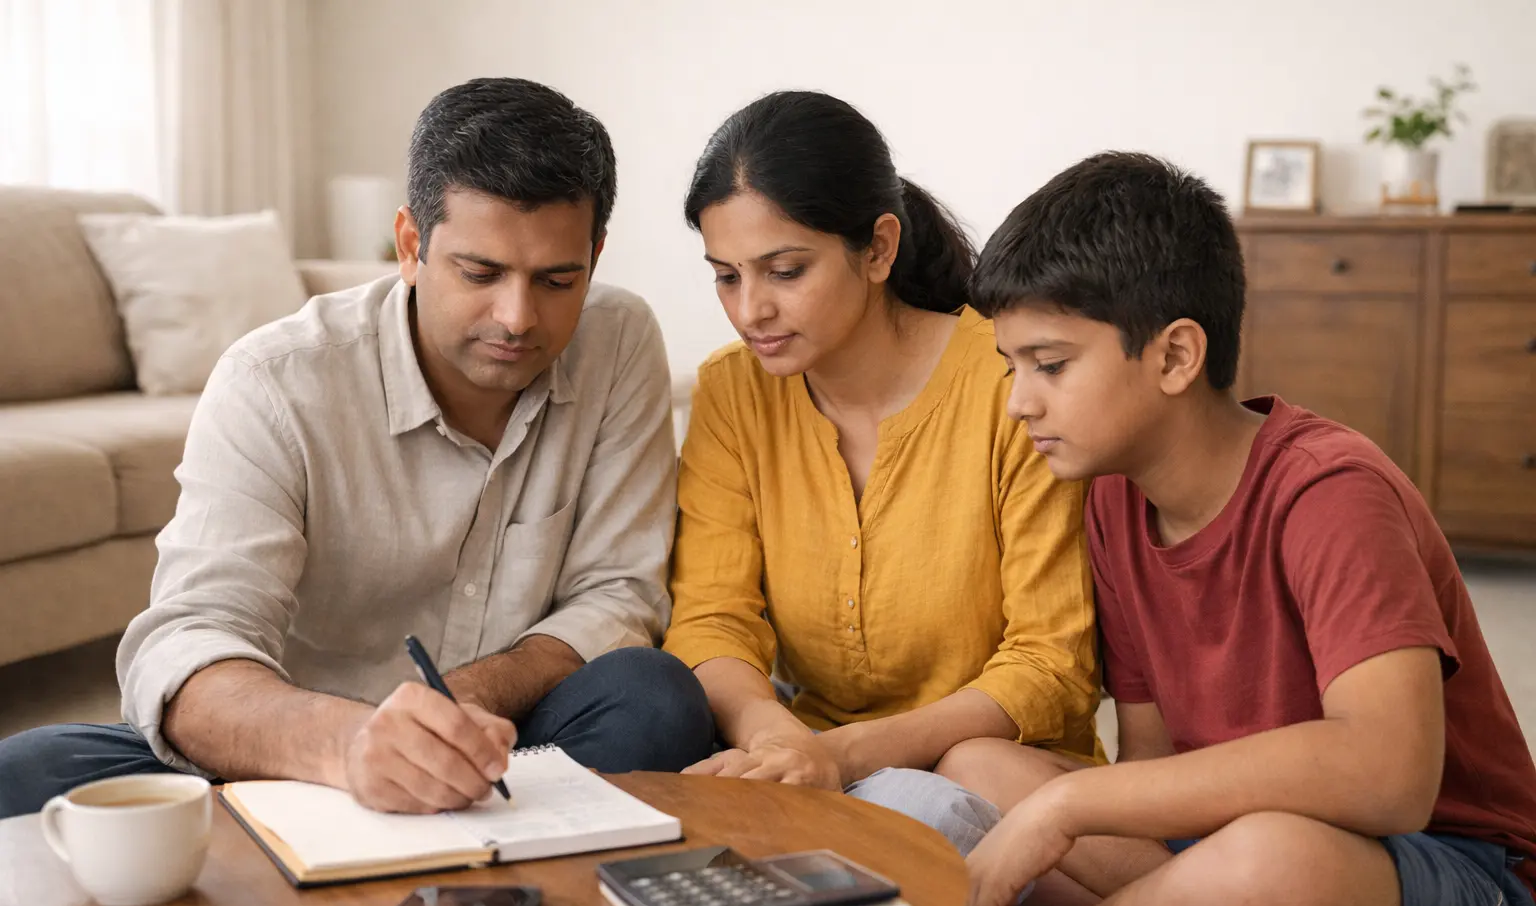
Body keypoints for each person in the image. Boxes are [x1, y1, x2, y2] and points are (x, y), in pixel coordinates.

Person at [928, 152, 1536, 906]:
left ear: (1176, 354)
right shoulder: (1113, 501)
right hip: (1239, 854)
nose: (1019, 401)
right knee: (976, 765)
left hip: (1464, 897)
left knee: (1268, 869)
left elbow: (1390, 774)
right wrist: (1067, 810)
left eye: (1050, 365)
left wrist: (1067, 805)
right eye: (1010, 366)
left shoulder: (1330, 491)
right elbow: (1153, 769)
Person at [0, 78, 714, 820]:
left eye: (557, 280)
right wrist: (352, 744)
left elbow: (618, 592)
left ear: (594, 257)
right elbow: (190, 640)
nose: (517, 318)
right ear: (410, 245)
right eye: (480, 273)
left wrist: (453, 704)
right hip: (292, 753)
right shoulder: (273, 381)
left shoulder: (618, 340)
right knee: (24, 773)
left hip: (501, 740)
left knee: (654, 696)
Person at [663, 91, 1102, 856]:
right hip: (813, 760)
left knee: (911, 820)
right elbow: (711, 615)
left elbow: (1050, 663)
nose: (751, 310)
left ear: (878, 249)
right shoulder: (733, 393)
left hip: (998, 774)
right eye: (726, 277)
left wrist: (840, 756)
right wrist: (772, 736)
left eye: (785, 271)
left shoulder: (1012, 386)